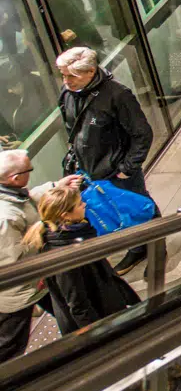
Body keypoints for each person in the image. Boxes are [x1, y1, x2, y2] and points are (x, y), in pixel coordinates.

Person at [56, 46, 154, 274]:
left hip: (116, 170)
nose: (66, 81)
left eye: (72, 75)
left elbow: (142, 134)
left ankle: (151, 247)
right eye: (63, 75)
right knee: (117, 208)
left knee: (139, 206)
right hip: (90, 167)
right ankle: (137, 246)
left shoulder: (118, 95)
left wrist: (127, 168)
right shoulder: (68, 93)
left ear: (91, 72)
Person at [22, 184, 140, 333]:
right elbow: (79, 306)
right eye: (79, 204)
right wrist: (100, 334)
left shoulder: (75, 235)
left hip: (106, 303)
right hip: (101, 319)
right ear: (65, 215)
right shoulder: (64, 257)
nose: (84, 204)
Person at [0, 150, 43, 364]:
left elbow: (24, 203)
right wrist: (42, 230)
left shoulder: (10, 193)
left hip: (34, 280)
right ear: (15, 178)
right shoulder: (5, 218)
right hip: (18, 290)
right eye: (30, 170)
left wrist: (52, 188)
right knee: (11, 343)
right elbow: (12, 261)